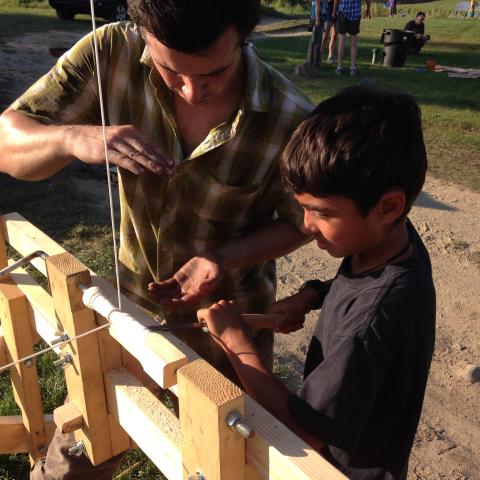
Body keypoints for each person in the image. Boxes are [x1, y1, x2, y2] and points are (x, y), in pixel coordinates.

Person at [0, 0, 314, 477]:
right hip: (128, 318)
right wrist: (72, 139)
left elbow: (300, 223)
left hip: (229, 335)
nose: (192, 92)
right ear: (140, 30)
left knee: (235, 463)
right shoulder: (111, 52)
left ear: (246, 37)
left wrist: (222, 259)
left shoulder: (289, 117)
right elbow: (7, 145)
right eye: (171, 72)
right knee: (79, 452)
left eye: (215, 73)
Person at [197, 86, 436, 479]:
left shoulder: (369, 325)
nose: (306, 225)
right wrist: (311, 296)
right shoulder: (393, 243)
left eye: (320, 212)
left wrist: (238, 346)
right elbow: (365, 284)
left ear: (388, 206)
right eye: (302, 207)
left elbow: (305, 428)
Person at [333, 0, 371, 75]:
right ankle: (353, 68)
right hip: (355, 14)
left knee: (341, 41)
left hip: (343, 12)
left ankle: (339, 68)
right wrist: (368, 9)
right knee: (353, 42)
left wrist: (334, 10)